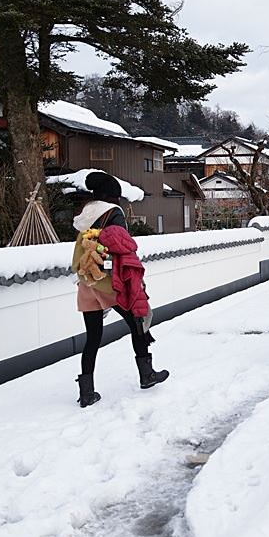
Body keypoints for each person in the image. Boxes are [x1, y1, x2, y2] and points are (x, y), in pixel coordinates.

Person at [71, 171, 168, 408]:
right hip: (111, 283)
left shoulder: (85, 216)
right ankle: (146, 374)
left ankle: (87, 392)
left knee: (92, 338)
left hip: (87, 282)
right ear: (112, 196)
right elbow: (123, 248)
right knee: (139, 321)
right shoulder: (113, 214)